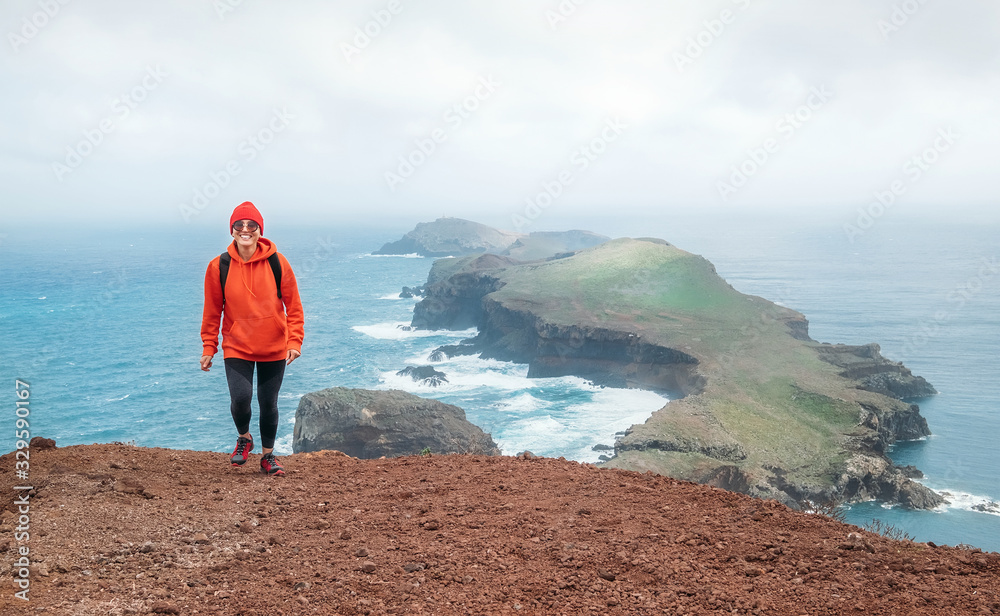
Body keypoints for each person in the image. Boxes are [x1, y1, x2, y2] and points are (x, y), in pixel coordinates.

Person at [200, 201, 304, 477]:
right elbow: (212, 312)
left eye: (251, 225)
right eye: (239, 225)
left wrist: (295, 342)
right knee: (241, 398)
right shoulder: (218, 266)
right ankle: (244, 438)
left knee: (268, 402)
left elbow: (294, 307)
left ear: (260, 230)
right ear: (232, 230)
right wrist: (209, 347)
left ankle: (268, 457)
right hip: (237, 346)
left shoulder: (277, 263)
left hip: (273, 346)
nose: (245, 230)